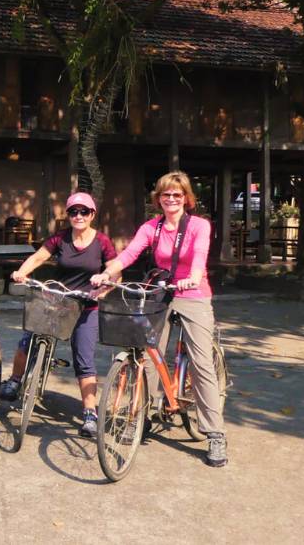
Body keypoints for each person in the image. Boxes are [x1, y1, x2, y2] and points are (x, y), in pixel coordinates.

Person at [91, 171, 227, 468]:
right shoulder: (151, 227)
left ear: (186, 199)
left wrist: (192, 278)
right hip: (161, 291)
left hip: (193, 293)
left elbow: (200, 256)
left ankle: (214, 432)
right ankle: (143, 416)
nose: (171, 199)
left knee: (201, 360)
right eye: (166, 195)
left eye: (177, 195)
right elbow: (129, 254)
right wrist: (107, 272)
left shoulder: (199, 226)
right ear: (158, 199)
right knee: (148, 355)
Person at [3, 192, 117, 438]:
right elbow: (38, 257)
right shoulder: (60, 239)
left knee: (84, 359)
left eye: (84, 211)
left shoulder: (102, 242)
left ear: (92, 215)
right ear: (68, 215)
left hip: (86, 306)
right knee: (28, 337)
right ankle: (14, 380)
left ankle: (89, 413)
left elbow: (115, 273)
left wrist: (104, 291)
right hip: (59, 301)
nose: (78, 216)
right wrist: (21, 272)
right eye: (73, 212)